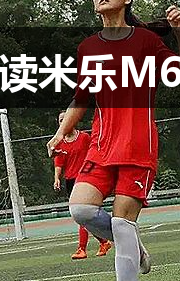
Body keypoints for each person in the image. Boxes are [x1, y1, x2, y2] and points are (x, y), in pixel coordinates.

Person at [47, 0, 180, 281]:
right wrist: (60, 133)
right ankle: (134, 247)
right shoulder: (88, 48)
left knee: (122, 222)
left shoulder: (146, 41)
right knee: (81, 210)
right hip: (100, 147)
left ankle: (129, 250)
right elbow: (82, 98)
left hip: (137, 145)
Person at [53, 110, 112, 259]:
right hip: (71, 180)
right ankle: (103, 242)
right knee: (81, 216)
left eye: (65, 118)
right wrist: (57, 178)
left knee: (83, 214)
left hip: (85, 179)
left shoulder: (84, 137)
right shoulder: (60, 143)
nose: (63, 122)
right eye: (60, 120)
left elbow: (94, 152)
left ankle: (82, 248)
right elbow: (58, 164)